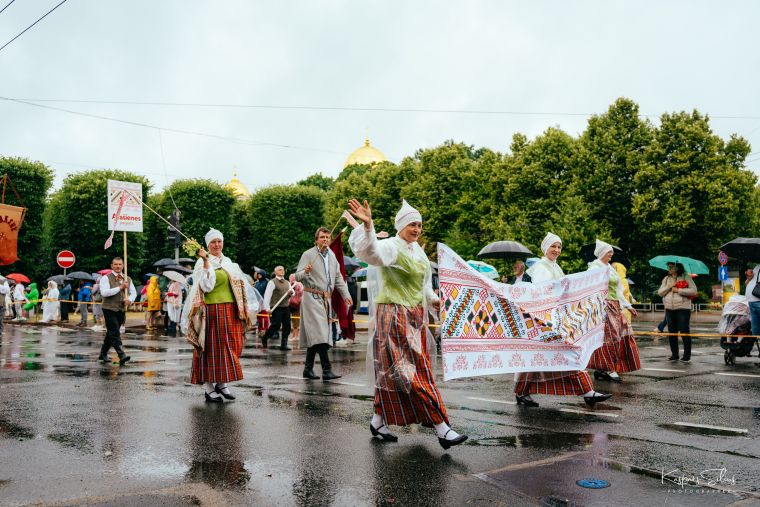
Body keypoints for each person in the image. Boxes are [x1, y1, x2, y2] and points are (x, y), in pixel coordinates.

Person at [348, 199, 468, 449]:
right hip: (392, 313)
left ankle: (378, 420)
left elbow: (423, 284)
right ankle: (441, 427)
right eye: (412, 224)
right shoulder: (391, 246)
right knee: (412, 371)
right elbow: (372, 254)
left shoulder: (417, 250)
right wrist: (368, 226)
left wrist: (434, 299)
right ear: (400, 225)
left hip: (414, 315)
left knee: (391, 371)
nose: (417, 229)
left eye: (420, 225)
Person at [514, 233, 612, 407]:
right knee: (568, 353)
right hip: (543, 321)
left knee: (536, 358)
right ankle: (587, 392)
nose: (557, 250)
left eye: (559, 247)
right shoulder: (541, 267)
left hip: (552, 319)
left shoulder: (554, 266)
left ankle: (522, 392)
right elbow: (543, 294)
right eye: (553, 246)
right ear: (545, 248)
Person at [181, 229, 259, 403]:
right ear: (207, 245)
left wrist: (248, 307)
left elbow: (241, 285)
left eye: (219, 241)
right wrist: (206, 262)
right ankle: (209, 387)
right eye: (213, 242)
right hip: (212, 310)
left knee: (232, 346)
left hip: (231, 310)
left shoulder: (229, 262)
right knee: (211, 348)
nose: (217, 245)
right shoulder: (202, 263)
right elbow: (206, 287)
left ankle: (222, 383)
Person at [294, 227, 352, 381]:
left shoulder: (332, 256)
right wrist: (305, 271)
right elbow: (297, 276)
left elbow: (338, 278)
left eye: (328, 237)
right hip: (311, 297)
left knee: (317, 335)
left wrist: (346, 295)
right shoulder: (308, 254)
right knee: (321, 334)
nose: (326, 239)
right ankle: (327, 370)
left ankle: (308, 369)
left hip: (326, 300)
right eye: (322, 237)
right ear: (316, 239)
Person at [586, 240, 640, 382]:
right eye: (608, 251)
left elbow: (618, 290)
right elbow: (589, 288)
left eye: (611, 251)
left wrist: (628, 306)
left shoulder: (609, 267)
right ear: (602, 252)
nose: (611, 254)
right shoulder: (594, 267)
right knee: (609, 337)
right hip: (603, 306)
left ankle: (602, 368)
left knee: (617, 336)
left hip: (615, 306)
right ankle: (609, 368)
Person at [98, 257, 136, 365]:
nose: (118, 266)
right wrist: (120, 287)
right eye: (115, 264)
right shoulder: (106, 278)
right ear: (112, 266)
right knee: (114, 331)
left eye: (120, 264)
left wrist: (130, 300)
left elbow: (134, 293)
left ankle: (103, 353)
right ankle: (121, 355)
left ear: (123, 266)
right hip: (109, 308)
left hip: (121, 309)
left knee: (111, 332)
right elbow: (104, 293)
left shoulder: (127, 278)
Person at [657, 262, 697, 362]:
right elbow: (660, 293)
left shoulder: (686, 277)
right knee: (672, 333)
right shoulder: (666, 279)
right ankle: (675, 354)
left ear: (677, 267)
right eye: (668, 266)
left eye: (671, 266)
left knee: (684, 331)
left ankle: (687, 355)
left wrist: (678, 290)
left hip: (683, 308)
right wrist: (669, 286)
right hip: (669, 308)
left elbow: (694, 291)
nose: (669, 268)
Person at [262, 265, 295, 350]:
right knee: (276, 325)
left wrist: (291, 292)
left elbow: (293, 293)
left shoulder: (287, 282)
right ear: (276, 272)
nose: (282, 271)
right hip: (276, 308)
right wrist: (267, 308)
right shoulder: (272, 282)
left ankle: (284, 345)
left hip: (286, 307)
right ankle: (265, 337)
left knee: (287, 326)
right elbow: (267, 296)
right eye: (280, 270)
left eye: (283, 270)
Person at [745, 264, 760, 338]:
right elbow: (747, 282)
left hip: (752, 300)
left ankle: (757, 340)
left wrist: (749, 278)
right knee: (756, 324)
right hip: (757, 299)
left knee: (756, 325)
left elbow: (747, 283)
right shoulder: (757, 266)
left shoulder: (757, 266)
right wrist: (749, 277)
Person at [253, 271, 270, 337]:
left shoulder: (267, 282)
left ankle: (265, 329)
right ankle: (260, 329)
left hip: (265, 302)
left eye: (260, 274)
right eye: (258, 274)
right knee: (259, 317)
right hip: (257, 302)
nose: (259, 275)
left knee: (264, 316)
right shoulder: (257, 283)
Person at [288, 273, 303, 339]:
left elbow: (300, 293)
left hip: (294, 304)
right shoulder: (299, 284)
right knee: (295, 320)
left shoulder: (295, 284)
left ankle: (295, 336)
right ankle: (295, 335)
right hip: (296, 303)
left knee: (295, 320)